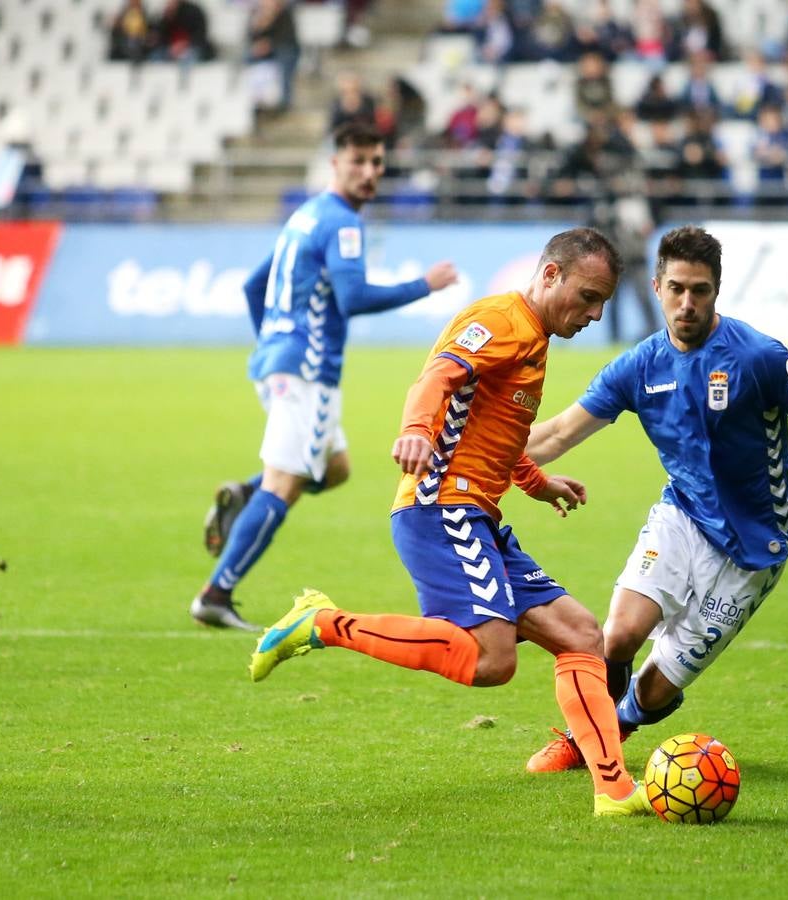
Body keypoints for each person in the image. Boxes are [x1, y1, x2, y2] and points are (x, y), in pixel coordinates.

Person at [248, 228, 652, 818]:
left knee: (582, 636)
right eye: (588, 297)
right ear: (549, 276)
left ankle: (614, 792)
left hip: (478, 514)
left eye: (602, 304)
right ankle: (323, 623)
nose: (593, 314)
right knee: (492, 661)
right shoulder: (502, 321)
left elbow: (494, 433)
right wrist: (415, 429)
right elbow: (438, 377)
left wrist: (539, 483)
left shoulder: (533, 338)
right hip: (442, 508)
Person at [523, 225, 788, 774]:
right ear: (656, 287)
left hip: (754, 548)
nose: (686, 303)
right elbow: (558, 434)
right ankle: (590, 743)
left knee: (653, 693)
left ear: (716, 291)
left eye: (699, 290)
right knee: (619, 635)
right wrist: (477, 448)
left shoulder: (758, 356)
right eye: (676, 288)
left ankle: (626, 718)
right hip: (681, 516)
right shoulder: (639, 366)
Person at [190, 122, 459, 631]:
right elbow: (352, 297)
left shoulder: (307, 214)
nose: (368, 172)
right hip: (306, 371)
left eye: (377, 162)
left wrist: (273, 344)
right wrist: (424, 285)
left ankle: (245, 496)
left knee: (334, 469)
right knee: (286, 482)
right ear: (335, 163)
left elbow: (254, 285)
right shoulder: (343, 223)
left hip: (282, 362)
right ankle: (215, 593)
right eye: (357, 161)